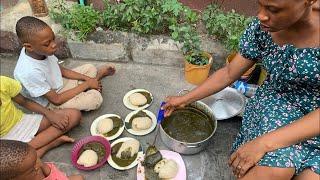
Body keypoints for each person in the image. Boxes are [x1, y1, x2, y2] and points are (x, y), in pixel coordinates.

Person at [162, 0, 319, 179]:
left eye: (272, 9)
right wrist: (184, 99)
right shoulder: (263, 28)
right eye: (260, 4)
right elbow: (229, 73)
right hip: (277, 106)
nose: (261, 15)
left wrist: (263, 144)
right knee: (275, 172)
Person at [13, 16, 116, 111]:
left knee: (90, 68)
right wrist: (88, 83)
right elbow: (56, 100)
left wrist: (87, 79)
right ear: (29, 47)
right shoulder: (28, 72)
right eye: (47, 44)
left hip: (60, 83)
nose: (54, 45)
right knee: (94, 100)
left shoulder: (40, 50)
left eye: (53, 38)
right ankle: (94, 82)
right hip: (51, 100)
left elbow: (61, 70)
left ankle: (91, 84)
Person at [0, 76, 81, 158]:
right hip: (5, 139)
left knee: (73, 115)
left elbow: (24, 102)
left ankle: (27, 150)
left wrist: (49, 114)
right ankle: (51, 144)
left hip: (22, 121)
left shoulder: (2, 82)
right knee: (17, 165)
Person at [0, 140, 84, 180]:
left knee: (79, 178)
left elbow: (51, 172)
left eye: (36, 158)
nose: (39, 165)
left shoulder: (34, 166)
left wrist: (52, 144)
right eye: (32, 169)